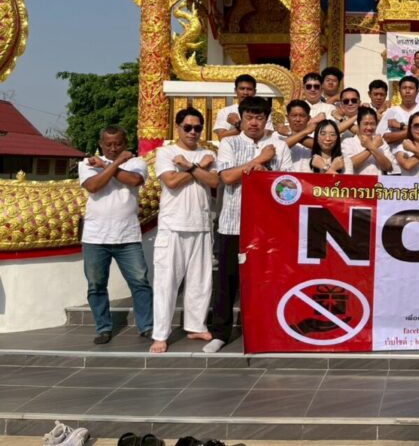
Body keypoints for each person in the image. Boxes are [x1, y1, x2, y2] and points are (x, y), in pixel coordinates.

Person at [204, 96, 293, 353]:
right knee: (227, 281)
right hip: (233, 223)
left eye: (259, 118)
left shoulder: (279, 146)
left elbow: (287, 185)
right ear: (241, 119)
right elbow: (228, 177)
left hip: (268, 226)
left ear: (267, 120)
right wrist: (259, 161)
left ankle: (266, 330)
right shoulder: (229, 143)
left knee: (267, 281)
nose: (254, 123)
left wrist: (265, 173)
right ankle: (220, 333)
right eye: (249, 117)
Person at [150, 107, 219, 353]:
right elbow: (171, 181)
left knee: (201, 281)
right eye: (187, 127)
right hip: (173, 226)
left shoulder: (208, 154)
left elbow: (214, 181)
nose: (192, 132)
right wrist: (198, 168)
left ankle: (196, 326)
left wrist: (189, 166)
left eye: (197, 128)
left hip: (201, 224)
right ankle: (160, 334)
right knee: (166, 282)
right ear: (177, 127)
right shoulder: (166, 152)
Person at [78, 126, 153, 345]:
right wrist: (115, 163)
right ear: (101, 144)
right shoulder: (87, 164)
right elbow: (93, 186)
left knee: (140, 282)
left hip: (127, 236)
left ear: (125, 143)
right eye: (108, 144)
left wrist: (107, 166)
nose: (113, 148)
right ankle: (103, 328)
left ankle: (146, 326)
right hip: (95, 237)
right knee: (96, 285)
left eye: (118, 144)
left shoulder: (137, 163)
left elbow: (134, 181)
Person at [377, 76, 419, 166]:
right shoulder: (391, 111)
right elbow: (384, 138)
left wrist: (400, 126)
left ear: (417, 91)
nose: (407, 91)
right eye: (404, 88)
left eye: (411, 88)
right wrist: (416, 132)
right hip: (395, 163)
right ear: (399, 91)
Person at [213, 74, 274, 140]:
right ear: (235, 90)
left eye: (249, 89)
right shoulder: (225, 111)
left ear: (255, 91)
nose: (245, 92)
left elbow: (265, 134)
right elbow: (222, 137)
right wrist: (246, 128)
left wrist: (238, 124)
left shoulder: (262, 110)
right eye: (242, 89)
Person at [343, 106, 396, 175]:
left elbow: (389, 167)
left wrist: (372, 147)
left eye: (372, 124)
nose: (369, 127)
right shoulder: (348, 142)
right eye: (366, 124)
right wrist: (373, 146)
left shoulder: (381, 142)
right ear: (358, 125)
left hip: (377, 181)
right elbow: (348, 165)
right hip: (356, 181)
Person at [284, 99, 314, 170]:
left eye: (302, 116)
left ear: (309, 118)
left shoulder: (316, 135)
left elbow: (320, 146)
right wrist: (305, 132)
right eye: (294, 115)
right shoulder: (278, 135)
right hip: (285, 176)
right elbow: (281, 146)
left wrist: (290, 133)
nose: (298, 119)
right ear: (287, 117)